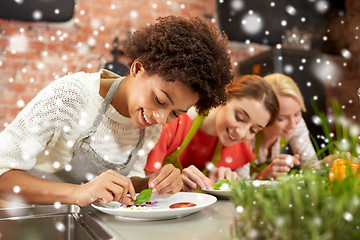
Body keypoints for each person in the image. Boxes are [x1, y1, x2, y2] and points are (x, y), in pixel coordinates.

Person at [0, 15, 233, 206]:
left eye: (176, 113)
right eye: (160, 100)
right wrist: (79, 193)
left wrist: (153, 182)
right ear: (138, 67)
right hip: (32, 220)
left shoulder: (149, 127)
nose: (161, 117)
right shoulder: (71, 96)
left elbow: (126, 185)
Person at [145, 75, 279, 191]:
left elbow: (243, 194)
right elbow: (142, 182)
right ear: (224, 98)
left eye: (253, 130)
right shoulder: (174, 121)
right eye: (239, 117)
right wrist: (174, 183)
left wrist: (222, 183)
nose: (241, 133)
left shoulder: (239, 148)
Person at [249, 73, 318, 180]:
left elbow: (310, 165)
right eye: (282, 119)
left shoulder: (297, 124)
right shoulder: (248, 131)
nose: (292, 124)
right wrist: (265, 174)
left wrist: (329, 163)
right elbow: (234, 184)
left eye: (297, 114)